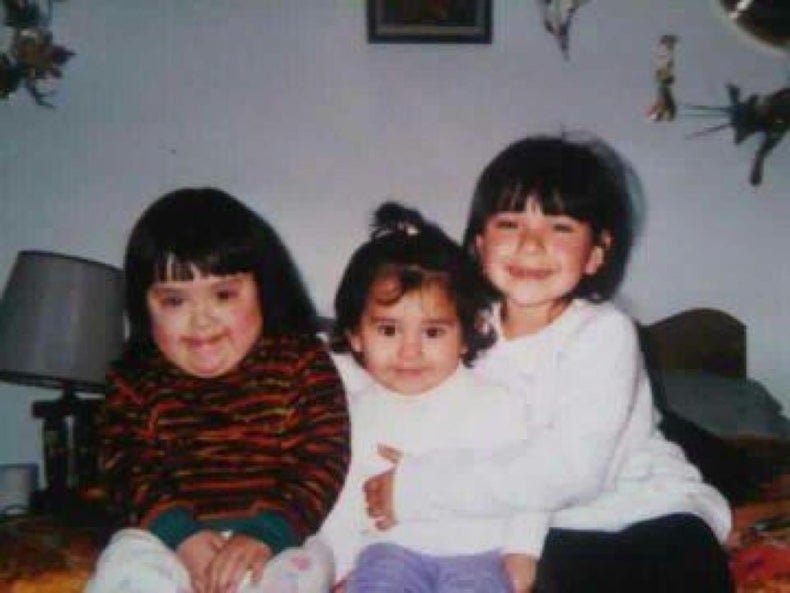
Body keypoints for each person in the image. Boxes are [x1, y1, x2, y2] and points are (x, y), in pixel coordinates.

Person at [362, 134, 734, 592]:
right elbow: (384, 370)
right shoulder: (461, 330)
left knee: (685, 563)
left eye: (560, 227)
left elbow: (572, 470)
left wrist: (420, 487)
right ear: (479, 244)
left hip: (649, 507)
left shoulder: (604, 332)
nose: (532, 245)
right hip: (542, 526)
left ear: (597, 251)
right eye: (510, 224)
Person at [86, 188, 350, 593]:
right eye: (174, 301)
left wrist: (267, 533)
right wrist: (181, 536)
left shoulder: (301, 362)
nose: (201, 320)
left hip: (275, 541)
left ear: (263, 288)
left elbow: (320, 459)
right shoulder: (133, 379)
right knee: (124, 558)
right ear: (143, 307)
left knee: (309, 564)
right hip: (167, 539)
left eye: (224, 295)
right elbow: (127, 468)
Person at [320, 202, 543, 593]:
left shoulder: (495, 403)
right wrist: (339, 569)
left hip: (479, 553)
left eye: (433, 332)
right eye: (388, 331)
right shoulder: (354, 411)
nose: (410, 351)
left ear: (466, 334)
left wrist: (523, 551)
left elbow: (531, 483)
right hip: (388, 551)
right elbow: (342, 505)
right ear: (356, 334)